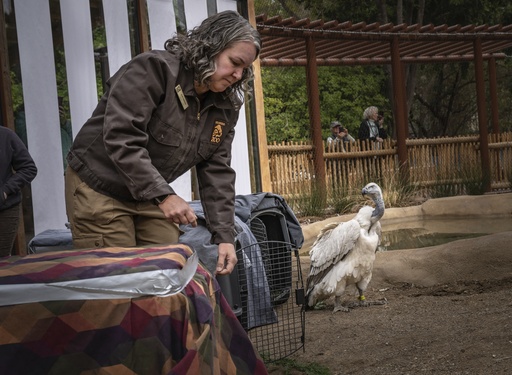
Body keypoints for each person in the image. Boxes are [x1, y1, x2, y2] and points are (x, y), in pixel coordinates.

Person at [64, 11, 261, 276]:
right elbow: (122, 138)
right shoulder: (153, 69)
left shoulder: (224, 107)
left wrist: (224, 235)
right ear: (210, 46)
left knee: (165, 278)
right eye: (234, 62)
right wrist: (164, 196)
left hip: (150, 195)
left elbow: (217, 172)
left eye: (244, 69)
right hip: (101, 185)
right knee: (116, 284)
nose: (238, 75)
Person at [0, 126, 38, 257]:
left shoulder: (6, 135)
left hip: (5, 209)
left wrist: (5, 191)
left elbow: (29, 168)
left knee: (2, 259)